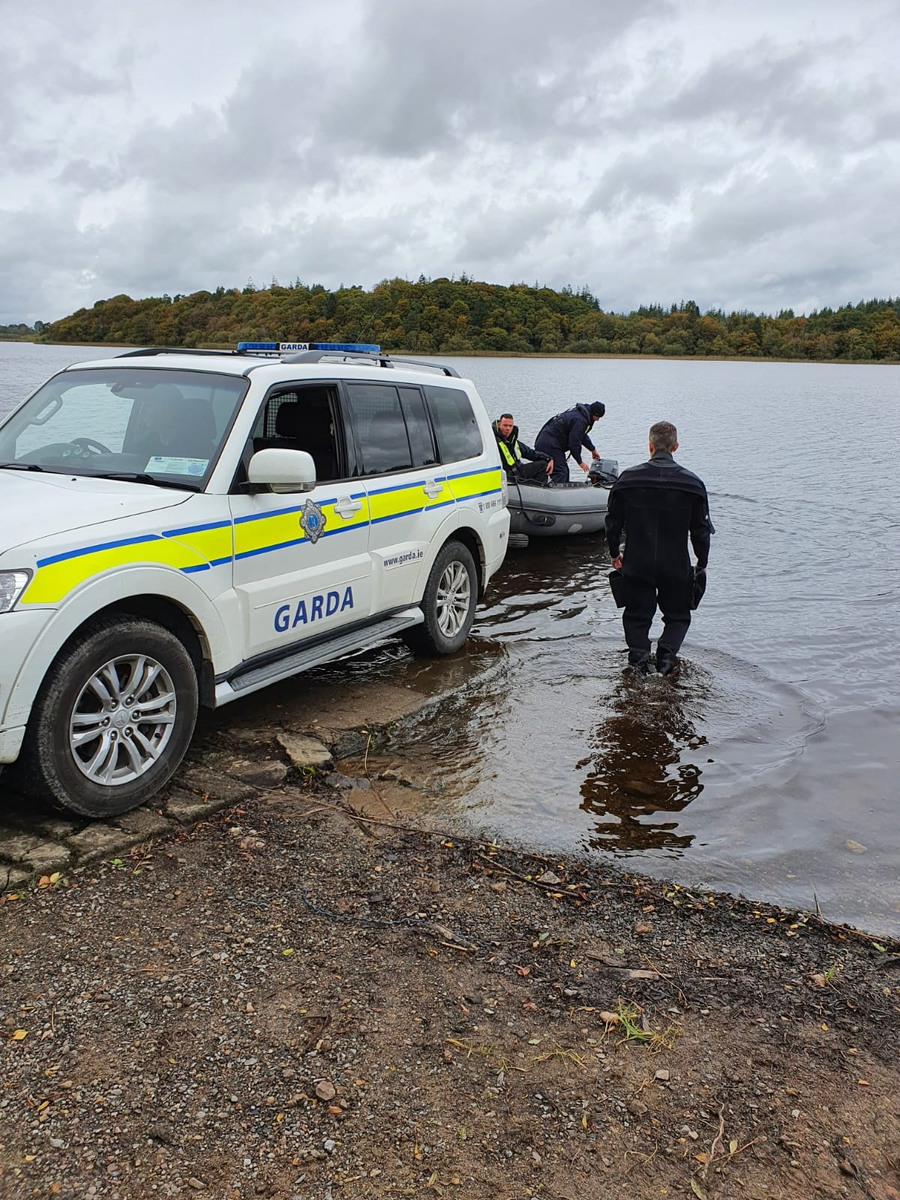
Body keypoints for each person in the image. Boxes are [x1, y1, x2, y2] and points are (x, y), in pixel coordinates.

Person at [605, 420, 712, 675]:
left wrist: (613, 554)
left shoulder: (628, 479)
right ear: (675, 446)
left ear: (650, 446)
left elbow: (612, 523)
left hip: (637, 561)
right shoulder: (693, 484)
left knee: (636, 614)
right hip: (675, 563)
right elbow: (701, 530)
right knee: (677, 615)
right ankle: (665, 660)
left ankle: (639, 661)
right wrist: (702, 562)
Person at [534, 401, 605, 484]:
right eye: (598, 417)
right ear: (594, 413)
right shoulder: (580, 420)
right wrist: (580, 462)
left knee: (563, 471)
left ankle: (556, 488)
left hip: (548, 442)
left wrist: (592, 449)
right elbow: (574, 444)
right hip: (549, 445)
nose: (598, 420)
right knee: (561, 471)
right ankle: (556, 493)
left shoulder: (583, 416)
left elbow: (581, 435)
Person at [492, 414, 553, 481]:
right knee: (542, 466)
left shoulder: (513, 442)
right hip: (507, 476)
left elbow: (530, 453)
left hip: (517, 471)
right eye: (505, 425)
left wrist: (548, 458)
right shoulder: (493, 442)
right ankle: (537, 487)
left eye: (510, 426)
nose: (508, 428)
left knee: (543, 464)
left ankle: (537, 488)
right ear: (499, 425)